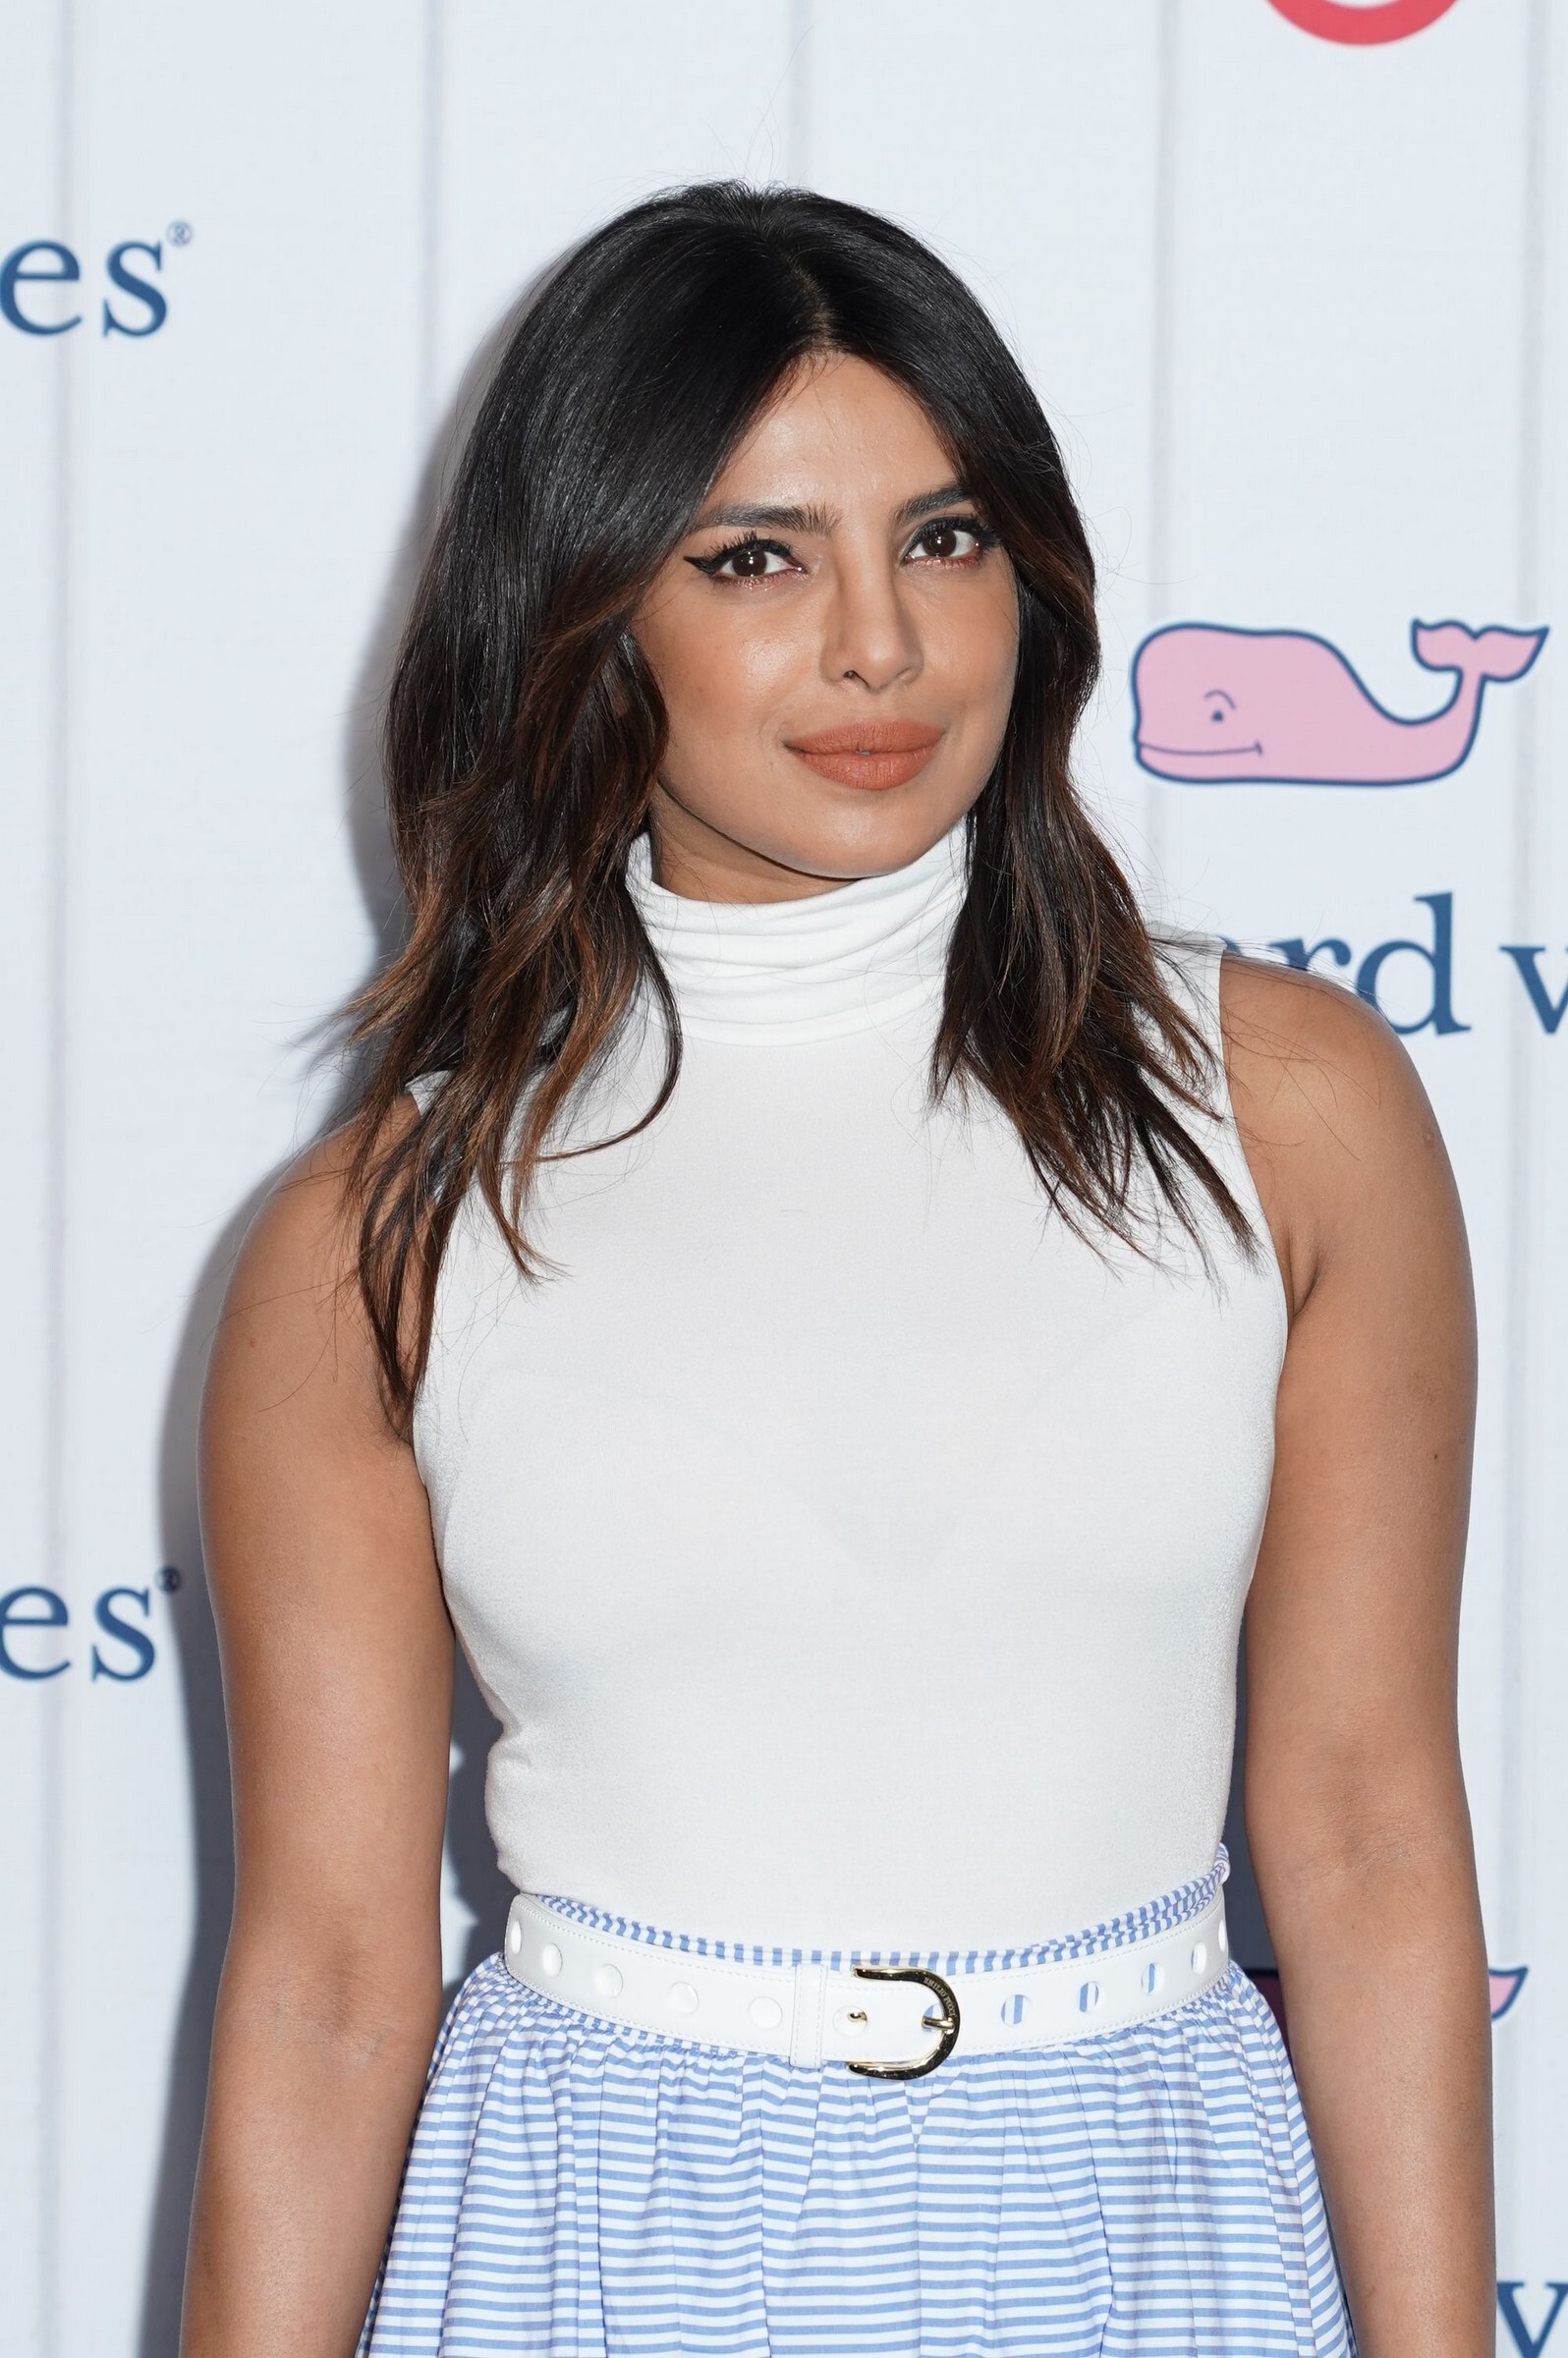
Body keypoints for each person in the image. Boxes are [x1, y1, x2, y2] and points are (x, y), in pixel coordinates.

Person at [181, 183, 1491, 2358]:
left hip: (1145, 2222)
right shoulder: (379, 1238)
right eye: (755, 558)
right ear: (588, 611)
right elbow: (323, 1983)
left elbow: (1364, 1838)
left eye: (944, 539)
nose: (882, 644)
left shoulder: (1285, 1105)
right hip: (602, 2241)